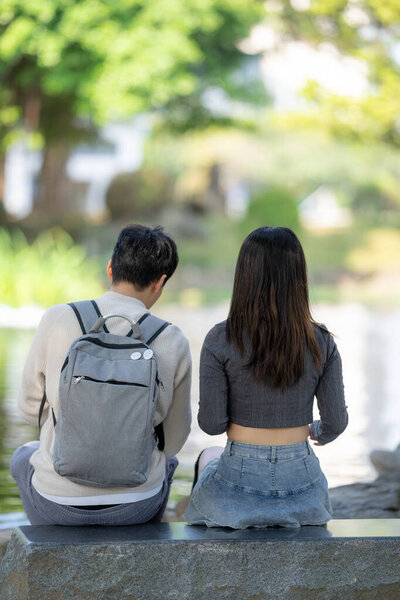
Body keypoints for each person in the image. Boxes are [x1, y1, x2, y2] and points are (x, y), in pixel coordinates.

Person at [11, 224, 192, 526]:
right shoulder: (172, 339)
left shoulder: (57, 318)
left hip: (56, 506)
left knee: (22, 456)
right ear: (160, 282)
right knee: (168, 463)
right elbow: (172, 442)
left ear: (110, 268)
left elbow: (30, 411)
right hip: (135, 508)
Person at [185, 226, 348, 529]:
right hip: (304, 490)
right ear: (299, 277)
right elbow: (336, 423)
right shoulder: (322, 341)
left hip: (237, 486)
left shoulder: (220, 338)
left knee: (209, 455)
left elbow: (211, 425)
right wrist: (317, 430)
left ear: (244, 276)